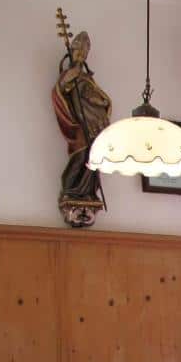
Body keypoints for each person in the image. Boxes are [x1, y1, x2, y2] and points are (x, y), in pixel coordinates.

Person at [52, 32, 110, 227]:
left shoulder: (86, 78)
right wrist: (71, 78)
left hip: (94, 125)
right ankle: (71, 189)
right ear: (73, 51)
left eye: (84, 53)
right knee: (81, 152)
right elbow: (61, 88)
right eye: (78, 52)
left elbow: (101, 98)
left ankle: (88, 192)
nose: (81, 56)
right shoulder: (71, 75)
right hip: (79, 124)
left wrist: (99, 100)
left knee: (94, 158)